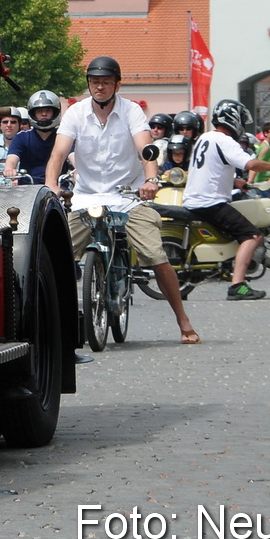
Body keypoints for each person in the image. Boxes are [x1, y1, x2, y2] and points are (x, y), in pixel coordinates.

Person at [46, 56, 198, 345]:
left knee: (155, 255)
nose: (99, 87)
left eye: (105, 82)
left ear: (117, 84)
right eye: (94, 81)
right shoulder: (76, 113)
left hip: (128, 197)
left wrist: (151, 180)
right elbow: (58, 153)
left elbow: (146, 147)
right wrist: (51, 185)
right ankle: (52, 328)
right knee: (54, 255)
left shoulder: (131, 111)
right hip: (86, 198)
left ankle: (183, 321)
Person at [184, 100, 270, 300]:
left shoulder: (206, 138)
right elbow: (251, 163)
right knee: (253, 236)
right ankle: (237, 285)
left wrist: (234, 181)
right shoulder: (225, 141)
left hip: (195, 199)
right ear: (233, 119)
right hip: (210, 202)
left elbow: (209, 170)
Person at [6, 91, 62, 183]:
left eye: (48, 110)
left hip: (59, 185)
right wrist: (9, 168)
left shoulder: (62, 137)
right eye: (39, 111)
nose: (44, 114)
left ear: (55, 112)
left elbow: (73, 156)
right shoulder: (21, 137)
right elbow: (12, 157)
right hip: (28, 186)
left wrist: (77, 171)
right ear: (33, 113)